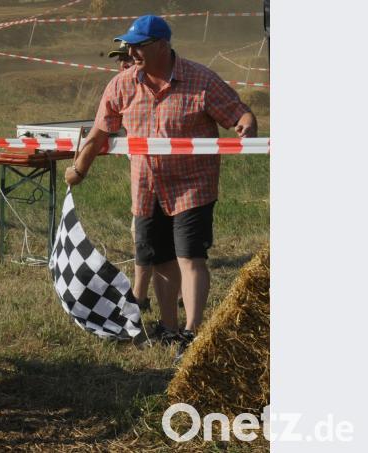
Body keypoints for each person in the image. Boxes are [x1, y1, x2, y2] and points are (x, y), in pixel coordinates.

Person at [65, 16, 257, 359]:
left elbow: (240, 113)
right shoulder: (122, 85)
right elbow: (98, 134)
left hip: (192, 186)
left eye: (139, 45)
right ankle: (168, 326)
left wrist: (246, 126)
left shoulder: (201, 79)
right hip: (146, 186)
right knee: (163, 260)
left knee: (190, 258)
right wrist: (79, 169)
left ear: (162, 46)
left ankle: (193, 332)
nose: (132, 51)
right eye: (131, 45)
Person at [108, 42, 153, 312]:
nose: (123, 64)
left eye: (128, 58)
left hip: (161, 173)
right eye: (119, 60)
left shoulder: (146, 87)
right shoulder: (121, 87)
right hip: (141, 170)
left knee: (144, 232)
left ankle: (140, 297)